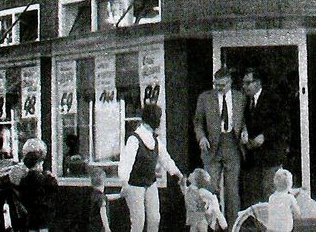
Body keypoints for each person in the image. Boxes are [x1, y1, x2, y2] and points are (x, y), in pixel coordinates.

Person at [193, 67, 245, 225]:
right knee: (210, 189)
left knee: (232, 191)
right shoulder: (205, 98)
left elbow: (244, 120)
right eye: (216, 85)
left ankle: (233, 227)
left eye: (222, 85)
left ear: (230, 82)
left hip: (232, 145)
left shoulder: (240, 97)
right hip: (211, 147)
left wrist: (244, 131)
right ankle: (211, 226)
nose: (219, 88)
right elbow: (197, 121)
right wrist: (201, 137)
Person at [120, 103, 183, 232]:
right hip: (134, 185)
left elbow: (165, 159)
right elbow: (126, 162)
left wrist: (178, 174)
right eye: (159, 117)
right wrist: (124, 182)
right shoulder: (134, 139)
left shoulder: (155, 140)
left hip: (150, 183)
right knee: (138, 222)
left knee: (155, 219)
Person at [240, 67, 288, 209]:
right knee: (255, 198)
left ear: (258, 83)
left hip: (271, 156)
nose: (244, 86)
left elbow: (284, 124)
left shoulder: (273, 99)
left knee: (271, 194)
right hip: (254, 158)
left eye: (248, 83)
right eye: (243, 83)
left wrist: (265, 136)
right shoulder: (246, 102)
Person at [18, 148, 58, 232]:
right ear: (39, 163)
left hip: (30, 213)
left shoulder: (24, 179)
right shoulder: (45, 178)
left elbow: (21, 196)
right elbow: (54, 188)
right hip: (43, 212)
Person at [86, 167, 115, 232]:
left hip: (93, 226)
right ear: (104, 182)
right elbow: (103, 212)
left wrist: (119, 195)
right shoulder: (101, 197)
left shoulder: (95, 194)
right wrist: (107, 227)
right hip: (100, 227)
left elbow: (107, 197)